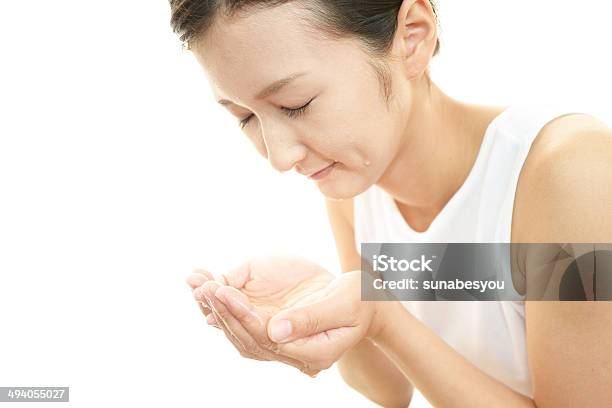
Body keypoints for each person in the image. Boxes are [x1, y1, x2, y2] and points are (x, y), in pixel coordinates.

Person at [171, 0, 612, 406]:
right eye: (244, 116)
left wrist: (381, 314)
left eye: (296, 104)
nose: (280, 157)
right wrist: (336, 303)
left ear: (412, 37)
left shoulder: (573, 175)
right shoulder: (356, 182)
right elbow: (387, 387)